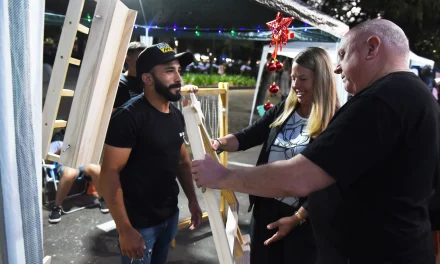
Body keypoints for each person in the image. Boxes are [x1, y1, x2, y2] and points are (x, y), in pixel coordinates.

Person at [192, 19, 440, 263]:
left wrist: (223, 177)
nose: (338, 67)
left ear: (372, 48)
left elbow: (301, 177)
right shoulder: (418, 98)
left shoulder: (381, 100)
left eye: (343, 55)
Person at [211, 47, 339, 264]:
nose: (296, 85)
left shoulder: (335, 121)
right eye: (293, 78)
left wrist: (297, 218)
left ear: (322, 79)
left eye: (303, 79)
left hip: (303, 221)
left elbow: (329, 182)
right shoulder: (283, 111)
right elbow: (248, 136)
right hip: (265, 212)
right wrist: (218, 143)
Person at [100, 42, 203, 264]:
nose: (178, 78)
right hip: (138, 225)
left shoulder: (175, 115)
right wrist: (124, 229)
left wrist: (193, 200)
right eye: (169, 71)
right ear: (147, 79)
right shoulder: (128, 118)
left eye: (179, 70)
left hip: (170, 216)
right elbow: (109, 174)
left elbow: (182, 162)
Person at [47, 130, 108, 224]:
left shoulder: (81, 140)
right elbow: (47, 161)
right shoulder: (57, 142)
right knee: (71, 172)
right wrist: (61, 150)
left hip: (82, 163)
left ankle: (102, 198)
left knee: (96, 169)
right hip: (65, 165)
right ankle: (57, 207)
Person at [113, 42, 146, 110]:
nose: (144, 62)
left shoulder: (148, 81)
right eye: (140, 58)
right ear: (127, 59)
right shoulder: (119, 83)